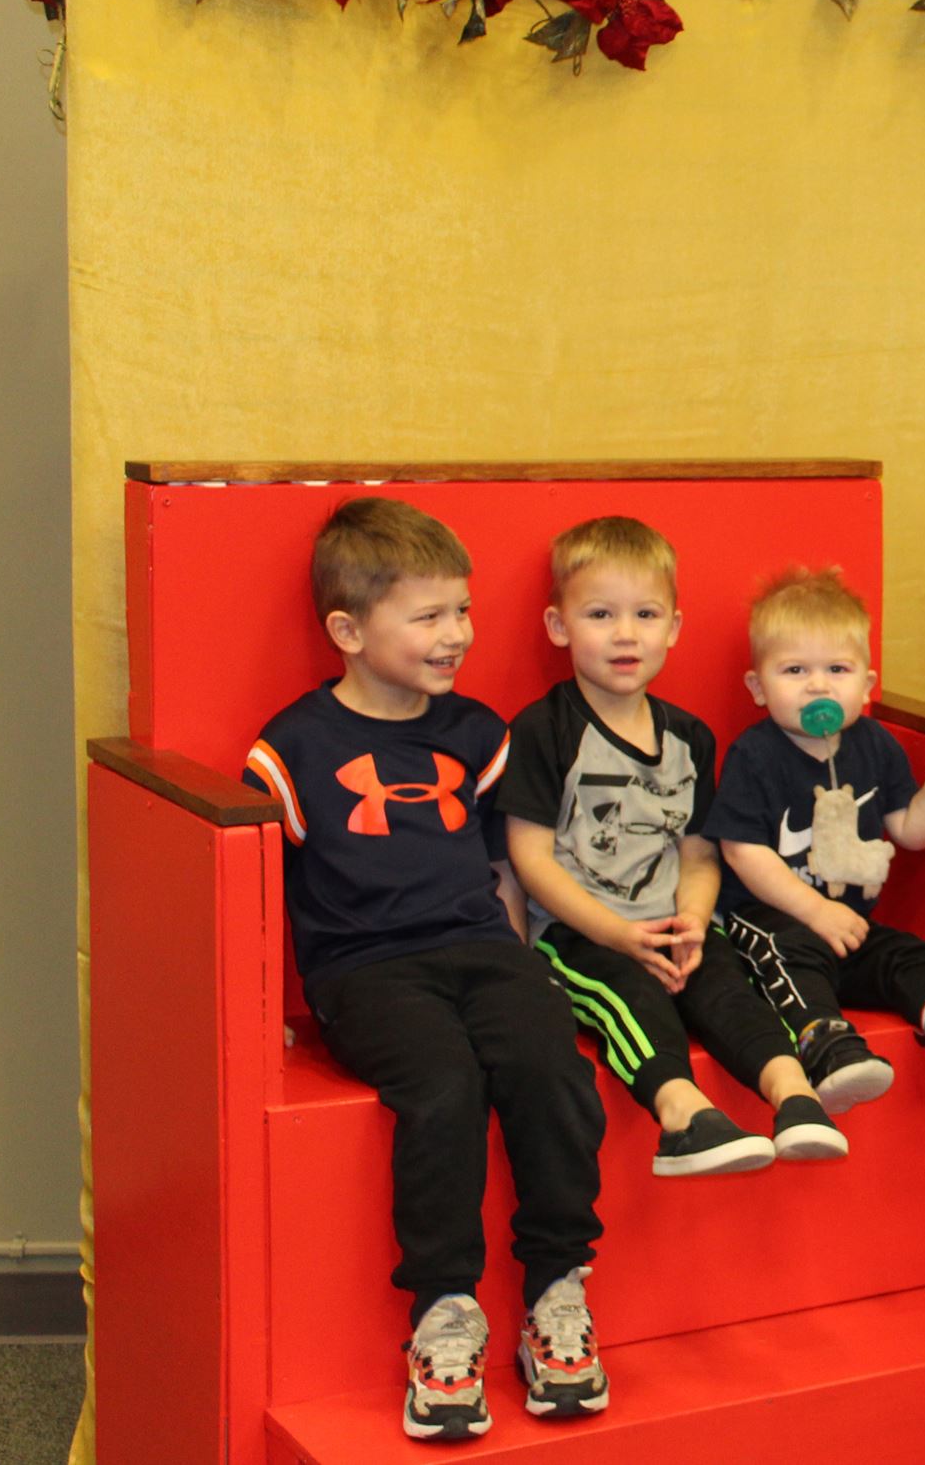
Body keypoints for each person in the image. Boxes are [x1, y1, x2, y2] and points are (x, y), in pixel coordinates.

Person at [241, 498, 608, 1442]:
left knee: (549, 1064)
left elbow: (500, 869)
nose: (458, 635)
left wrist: (522, 964)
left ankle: (558, 1289)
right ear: (349, 630)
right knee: (443, 1087)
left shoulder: (479, 733)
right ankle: (446, 1313)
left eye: (463, 610)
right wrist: (265, 1008)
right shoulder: (291, 747)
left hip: (481, 949)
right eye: (430, 615)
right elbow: (259, 889)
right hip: (365, 969)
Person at [498, 517, 847, 1177]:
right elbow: (530, 858)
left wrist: (691, 919)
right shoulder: (545, 730)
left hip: (671, 923)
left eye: (646, 613)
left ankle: (794, 1095)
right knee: (628, 994)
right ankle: (683, 1114)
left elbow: (697, 854)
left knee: (725, 983)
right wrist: (618, 933)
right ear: (559, 625)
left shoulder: (689, 737)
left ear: (674, 628)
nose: (626, 633)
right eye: (600, 613)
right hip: (580, 934)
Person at [707, 566, 925, 1114]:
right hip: (767, 927)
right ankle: (824, 1040)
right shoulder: (756, 755)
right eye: (795, 669)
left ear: (867, 687)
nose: (818, 685)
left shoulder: (874, 747)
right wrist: (814, 910)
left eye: (837, 669)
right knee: (791, 946)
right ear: (758, 687)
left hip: (848, 930)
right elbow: (740, 850)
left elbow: (911, 831)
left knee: (907, 953)